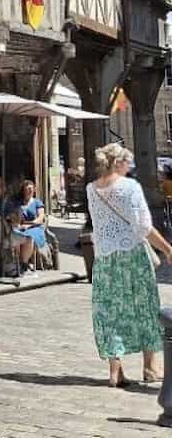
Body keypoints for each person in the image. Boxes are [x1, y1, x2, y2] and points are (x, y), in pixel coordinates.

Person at [87, 143, 172, 387]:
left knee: (109, 309)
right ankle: (150, 367)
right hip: (132, 254)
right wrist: (167, 249)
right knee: (145, 306)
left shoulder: (91, 189)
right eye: (128, 162)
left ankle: (115, 370)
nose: (130, 166)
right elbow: (144, 226)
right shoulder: (130, 187)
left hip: (104, 258)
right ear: (118, 162)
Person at [15, 180, 51, 265]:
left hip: (35, 227)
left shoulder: (37, 202)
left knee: (29, 237)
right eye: (28, 189)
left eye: (31, 189)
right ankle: (16, 261)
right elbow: (15, 217)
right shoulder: (19, 203)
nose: (30, 191)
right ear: (23, 191)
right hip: (21, 226)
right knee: (14, 235)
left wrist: (29, 225)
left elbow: (40, 218)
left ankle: (24, 263)